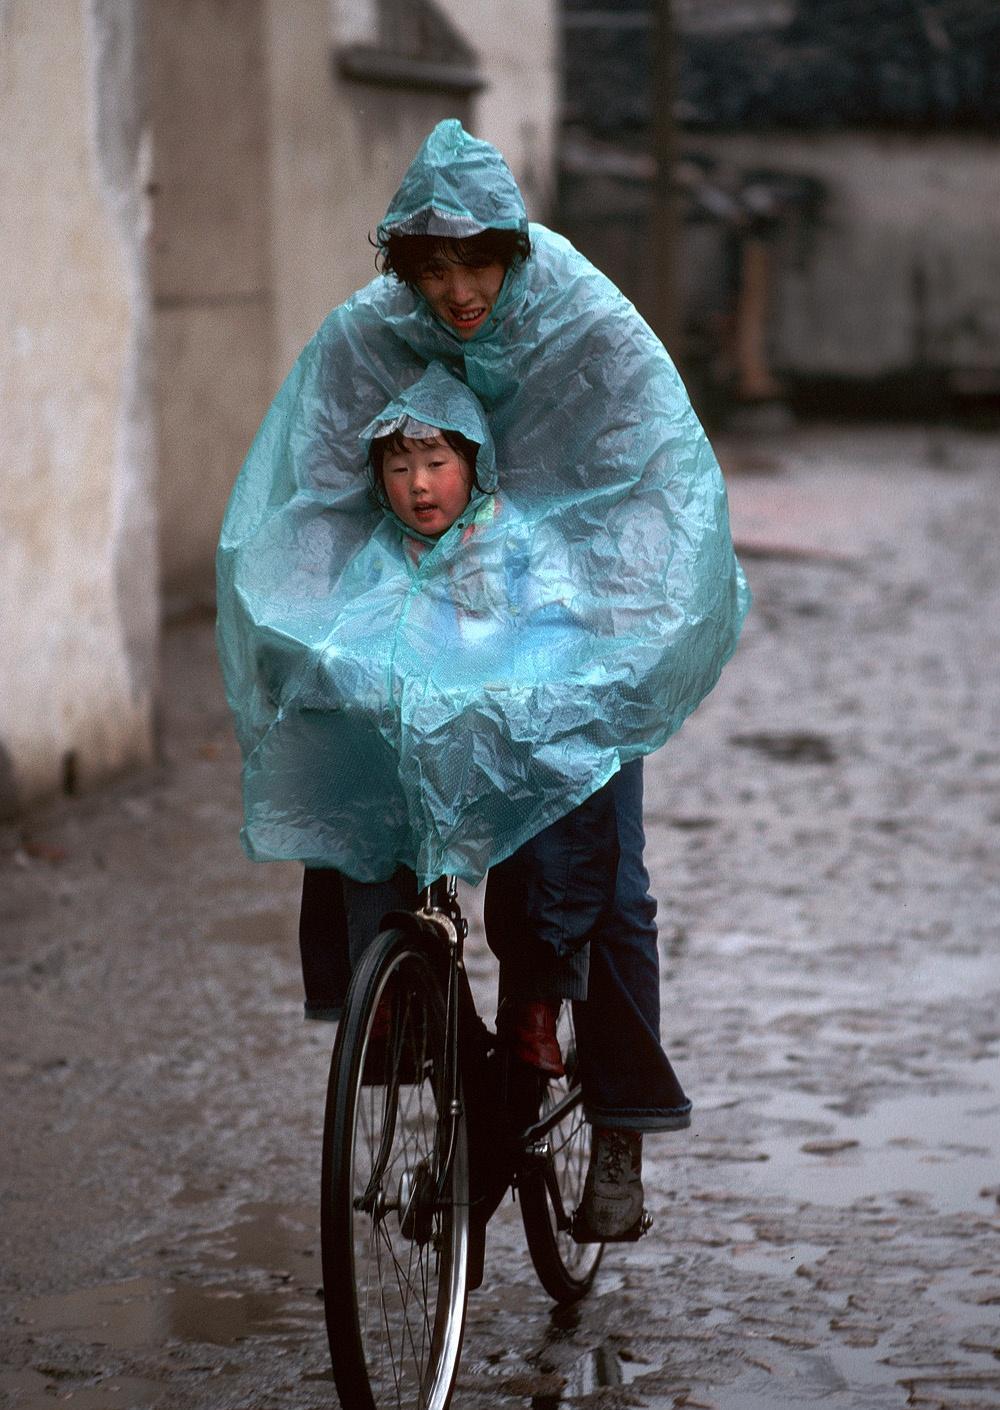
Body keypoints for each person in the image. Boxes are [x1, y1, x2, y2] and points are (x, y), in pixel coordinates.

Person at [217, 121, 750, 1239]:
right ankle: (442, 1049)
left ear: (515, 250)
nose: (458, 292)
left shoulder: (587, 322)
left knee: (608, 877)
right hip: (430, 631)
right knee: (356, 809)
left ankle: (618, 1124)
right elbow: (307, 495)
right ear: (403, 270)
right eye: (433, 270)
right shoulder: (370, 334)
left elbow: (657, 490)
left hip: (569, 626)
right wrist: (309, 631)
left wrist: (608, 643)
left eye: (478, 265)